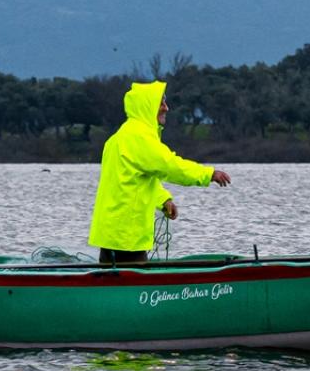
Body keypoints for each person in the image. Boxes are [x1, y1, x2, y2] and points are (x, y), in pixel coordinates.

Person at [89, 80, 231, 264]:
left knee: (110, 279)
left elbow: (135, 180)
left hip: (110, 234)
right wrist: (208, 174)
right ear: (147, 106)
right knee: (135, 280)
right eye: (161, 103)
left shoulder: (118, 138)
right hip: (127, 236)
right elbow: (170, 166)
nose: (166, 107)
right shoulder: (139, 138)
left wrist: (163, 200)